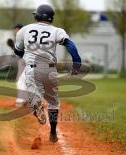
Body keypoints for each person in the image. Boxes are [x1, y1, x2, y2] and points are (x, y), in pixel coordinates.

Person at [14, 4, 81, 143]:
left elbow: (18, 51)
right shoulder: (57, 31)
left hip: (31, 69)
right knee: (53, 102)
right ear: (51, 18)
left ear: (37, 16)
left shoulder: (25, 29)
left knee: (34, 98)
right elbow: (70, 45)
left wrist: (26, 53)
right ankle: (52, 133)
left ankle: (36, 105)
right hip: (50, 70)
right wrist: (76, 62)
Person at [7, 24, 28, 108]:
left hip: (25, 61)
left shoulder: (22, 37)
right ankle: (26, 99)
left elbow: (21, 52)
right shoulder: (27, 36)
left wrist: (12, 47)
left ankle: (21, 101)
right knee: (26, 81)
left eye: (15, 29)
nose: (14, 31)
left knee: (20, 81)